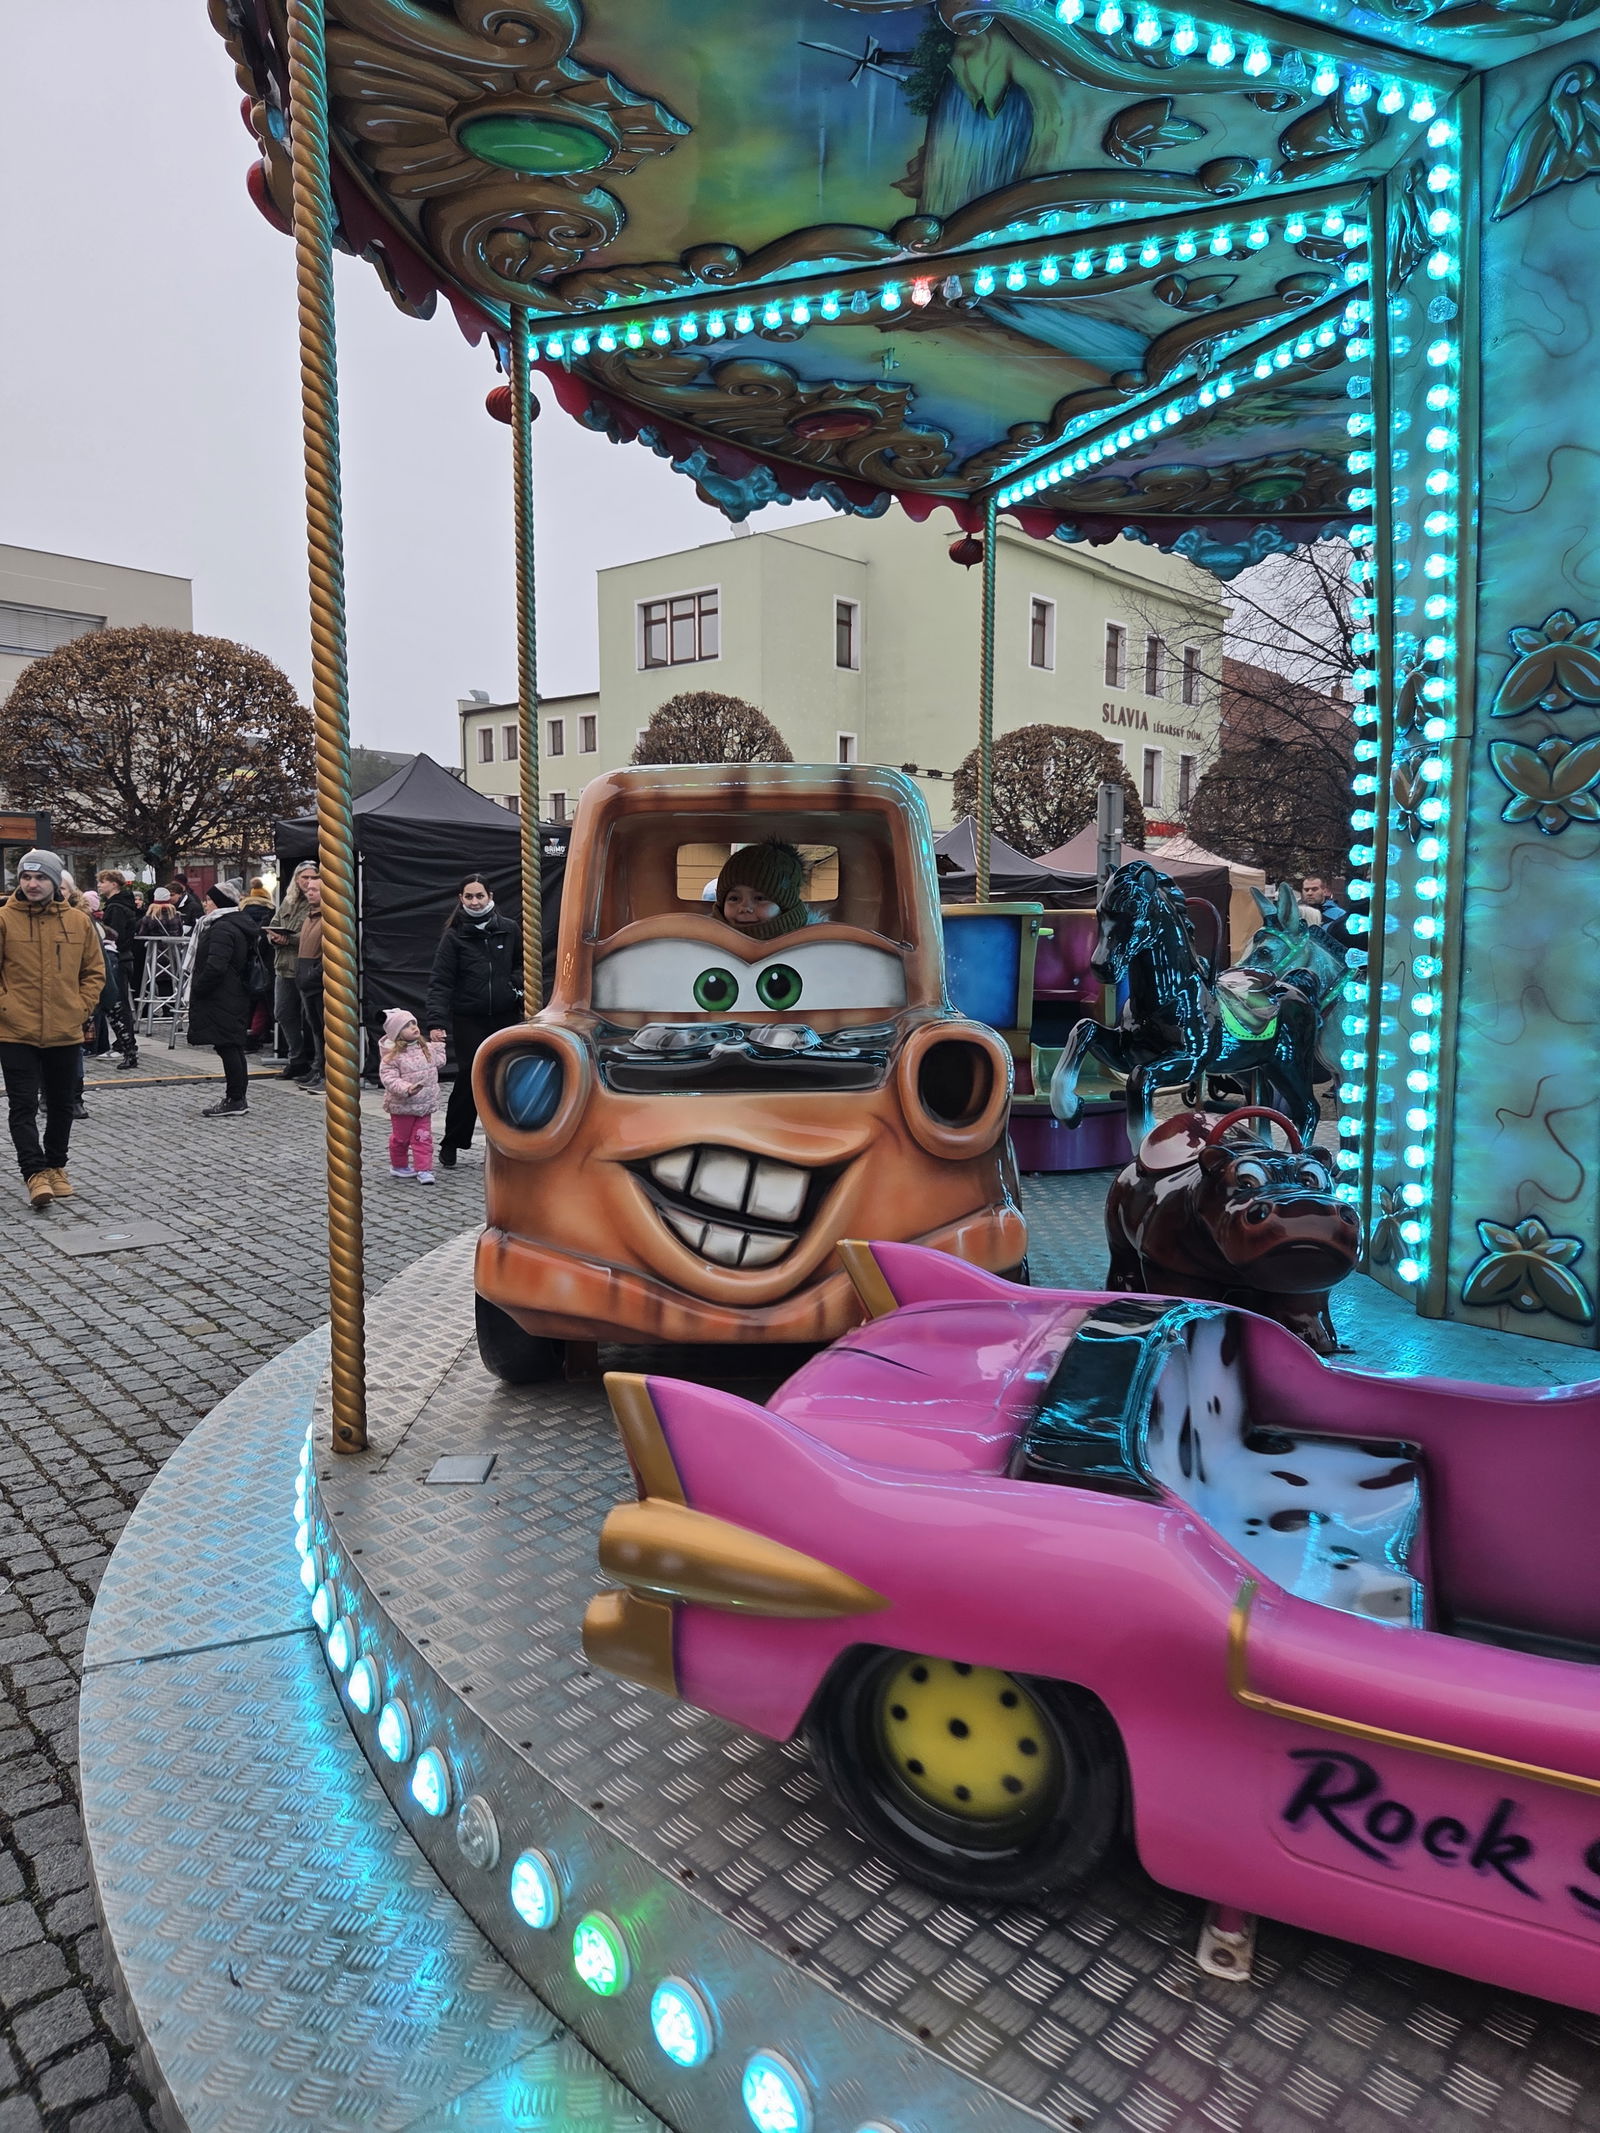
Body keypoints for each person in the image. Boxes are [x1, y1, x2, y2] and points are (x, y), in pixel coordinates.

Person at [0, 850, 104, 1208]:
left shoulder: (77, 922)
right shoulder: (4, 919)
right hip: (15, 1031)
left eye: (40, 877)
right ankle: (34, 1173)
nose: (32, 884)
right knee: (23, 1105)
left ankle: (57, 1165)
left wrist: (80, 1007)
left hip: (64, 1029)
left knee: (62, 1104)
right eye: (26, 877)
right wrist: (6, 1007)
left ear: (55, 881)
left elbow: (94, 972)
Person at [424, 874, 522, 1167]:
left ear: (490, 896)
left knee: (506, 1076)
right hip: (469, 1017)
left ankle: (510, 1140)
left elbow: (523, 963)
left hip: (505, 1014)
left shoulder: (509, 929)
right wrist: (436, 1022)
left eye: (480, 896)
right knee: (470, 1076)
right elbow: (441, 981)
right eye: (469, 896)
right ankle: (452, 1141)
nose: (475, 902)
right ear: (461, 899)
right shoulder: (454, 936)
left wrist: (515, 988)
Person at [186, 882, 257, 1115]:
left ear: (219, 903)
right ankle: (236, 1097)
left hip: (222, 994)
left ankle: (235, 1098)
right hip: (230, 992)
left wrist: (199, 987)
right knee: (230, 1045)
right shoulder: (231, 923)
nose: (205, 904)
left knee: (228, 1045)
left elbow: (216, 965)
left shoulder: (222, 927)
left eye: (208, 900)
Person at [378, 1008, 445, 1183]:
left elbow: (439, 1062)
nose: (414, 1027)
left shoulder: (425, 1048)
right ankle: (398, 1166)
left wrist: (438, 1044)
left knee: (423, 1137)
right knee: (401, 1139)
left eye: (414, 1023)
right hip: (403, 1107)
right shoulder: (392, 1057)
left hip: (424, 1105)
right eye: (407, 1026)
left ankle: (424, 1169)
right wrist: (407, 1088)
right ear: (397, 1033)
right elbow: (389, 1079)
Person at [266, 862, 318, 1079]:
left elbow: (315, 933)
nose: (308, 882)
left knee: (312, 1017)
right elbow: (273, 924)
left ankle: (315, 1062)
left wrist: (289, 939)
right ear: (297, 879)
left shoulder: (318, 902)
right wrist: (273, 937)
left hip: (306, 967)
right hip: (283, 966)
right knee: (283, 1012)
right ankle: (296, 1058)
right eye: (304, 877)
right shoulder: (288, 901)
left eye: (313, 877)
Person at [712, 841, 809, 940]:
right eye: (734, 898)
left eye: (759, 898)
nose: (744, 908)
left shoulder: (810, 945)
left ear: (786, 907)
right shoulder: (706, 943)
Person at [295, 869, 326, 1091]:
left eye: (315, 889)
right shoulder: (309, 917)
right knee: (315, 1029)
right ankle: (318, 1068)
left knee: (325, 1030)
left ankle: (327, 1073)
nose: (310, 892)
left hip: (318, 984)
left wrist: (313, 975)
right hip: (307, 982)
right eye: (308, 889)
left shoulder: (328, 920)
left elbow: (329, 955)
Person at [237, 879, 277, 1051]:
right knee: (264, 1001)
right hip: (267, 961)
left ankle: (251, 1035)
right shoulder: (272, 911)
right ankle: (260, 1032)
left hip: (250, 960)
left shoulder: (242, 912)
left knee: (251, 1001)